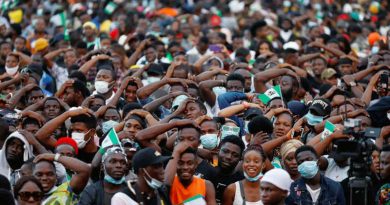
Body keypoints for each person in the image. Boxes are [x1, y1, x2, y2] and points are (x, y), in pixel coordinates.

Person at [214, 135, 246, 203]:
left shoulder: (241, 182)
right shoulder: (207, 173)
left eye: (235, 155)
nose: (229, 157)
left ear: (240, 158)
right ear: (218, 150)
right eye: (225, 151)